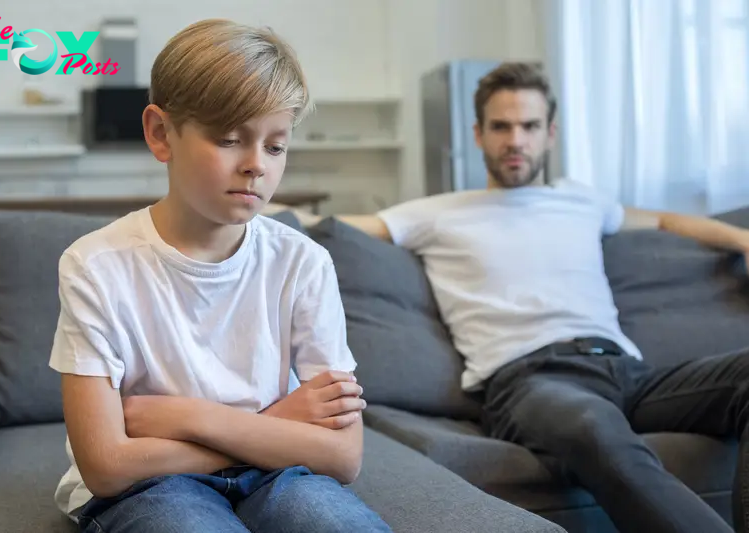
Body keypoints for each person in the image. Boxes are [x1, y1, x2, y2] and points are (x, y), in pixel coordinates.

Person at [280, 62, 749, 533]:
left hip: (627, 373)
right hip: (531, 382)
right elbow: (332, 226)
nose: (515, 140)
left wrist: (744, 241)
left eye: (529, 126)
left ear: (550, 133)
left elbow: (667, 222)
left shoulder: (584, 202)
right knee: (592, 425)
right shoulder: (437, 212)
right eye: (501, 127)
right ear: (479, 134)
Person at [48, 19, 393, 533]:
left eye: (276, 146)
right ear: (161, 133)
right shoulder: (95, 265)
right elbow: (106, 465)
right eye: (230, 139)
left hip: (279, 475)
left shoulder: (303, 262)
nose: (256, 165)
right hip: (153, 487)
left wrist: (188, 418)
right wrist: (273, 426)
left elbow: (344, 456)